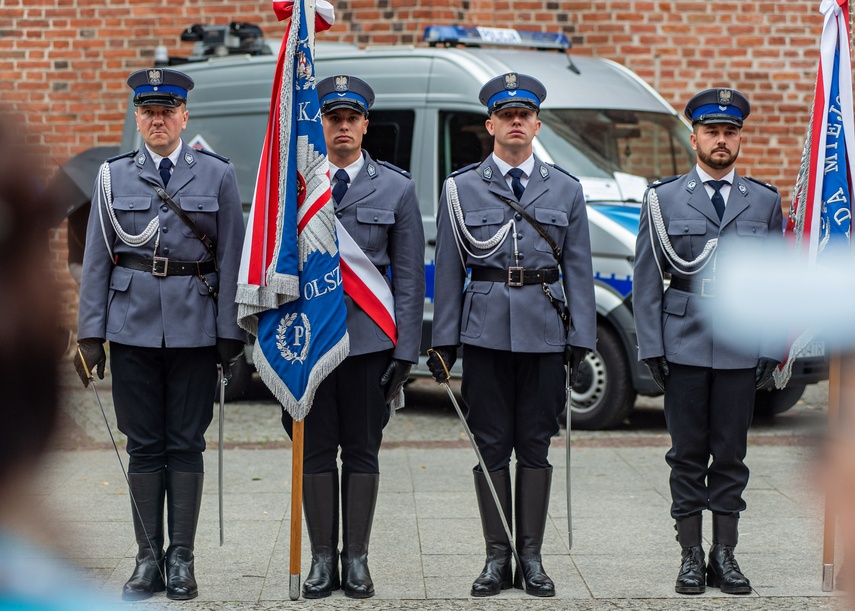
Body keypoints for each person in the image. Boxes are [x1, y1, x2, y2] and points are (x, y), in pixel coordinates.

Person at [73, 68, 246, 601]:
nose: (158, 119)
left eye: (167, 110)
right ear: (137, 116)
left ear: (184, 116)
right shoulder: (112, 177)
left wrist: (230, 332)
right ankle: (147, 557)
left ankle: (182, 560)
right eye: (148, 111)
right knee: (144, 445)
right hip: (132, 328)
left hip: (196, 327)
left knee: (185, 443)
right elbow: (97, 258)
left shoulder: (217, 175)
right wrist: (89, 334)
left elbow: (233, 256)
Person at [427, 73, 596, 598]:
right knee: (491, 444)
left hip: (545, 332)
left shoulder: (565, 188)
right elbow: (450, 269)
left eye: (524, 115)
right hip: (484, 335)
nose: (516, 122)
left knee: (536, 446)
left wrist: (581, 339)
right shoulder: (461, 187)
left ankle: (533, 556)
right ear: (490, 125)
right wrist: (444, 341)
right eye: (506, 115)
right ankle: (496, 557)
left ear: (537, 124)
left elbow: (580, 269)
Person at [633, 88, 783, 596]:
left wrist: (772, 342)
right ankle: (691, 556)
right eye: (712, 131)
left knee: (732, 454)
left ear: (739, 138)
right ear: (693, 136)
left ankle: (726, 555)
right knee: (688, 454)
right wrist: (651, 345)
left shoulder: (762, 200)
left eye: (730, 132)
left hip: (741, 342)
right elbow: (647, 278)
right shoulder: (665, 198)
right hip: (685, 341)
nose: (722, 140)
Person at [282, 75, 425, 600]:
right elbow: (275, 267)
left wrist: (406, 351)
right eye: (332, 118)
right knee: (316, 451)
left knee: (363, 451)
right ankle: (322, 558)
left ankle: (357, 558)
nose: (342, 127)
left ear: (366, 125)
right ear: (319, 124)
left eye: (351, 119)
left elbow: (409, 276)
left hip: (369, 346)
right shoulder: (295, 185)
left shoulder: (396, 187)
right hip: (311, 346)